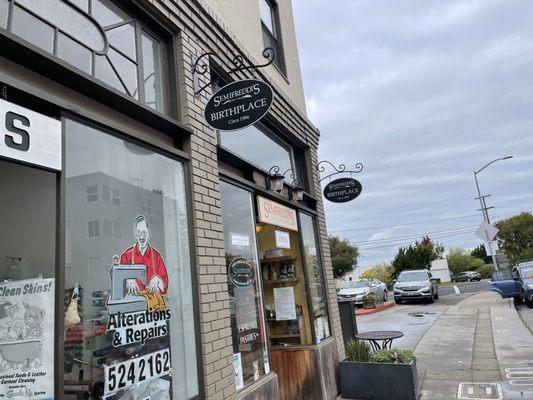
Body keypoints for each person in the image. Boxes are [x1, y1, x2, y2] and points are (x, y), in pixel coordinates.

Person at [120, 215, 168, 295]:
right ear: (134, 233)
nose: (141, 236)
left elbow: (165, 284)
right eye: (138, 232)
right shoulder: (126, 256)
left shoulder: (156, 256)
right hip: (134, 303)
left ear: (148, 233)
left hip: (152, 304)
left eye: (144, 233)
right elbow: (120, 279)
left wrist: (158, 280)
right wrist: (127, 280)